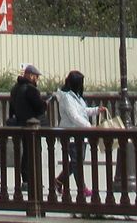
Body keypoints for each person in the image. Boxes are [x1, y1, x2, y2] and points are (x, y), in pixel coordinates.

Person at [50, 71, 94, 202]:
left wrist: (97, 110)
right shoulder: (66, 98)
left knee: (76, 161)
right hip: (71, 135)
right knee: (76, 162)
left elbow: (83, 111)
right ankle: (82, 188)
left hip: (81, 134)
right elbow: (74, 116)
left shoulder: (77, 96)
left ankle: (58, 180)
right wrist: (90, 127)